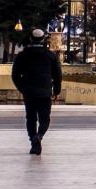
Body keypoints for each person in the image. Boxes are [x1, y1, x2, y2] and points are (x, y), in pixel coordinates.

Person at [10, 27, 63, 155]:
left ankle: (33, 139)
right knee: (45, 119)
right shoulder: (50, 56)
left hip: (29, 92)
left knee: (31, 118)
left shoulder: (22, 55)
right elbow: (57, 75)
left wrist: (23, 88)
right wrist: (56, 91)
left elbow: (15, 75)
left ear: (30, 39)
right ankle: (39, 136)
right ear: (44, 39)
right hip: (45, 92)